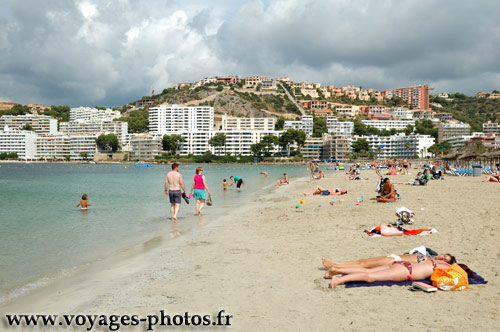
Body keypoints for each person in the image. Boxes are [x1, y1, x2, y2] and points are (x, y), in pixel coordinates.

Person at [325, 259, 453, 288]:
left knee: (367, 271)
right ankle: (338, 280)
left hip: (402, 264)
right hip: (405, 271)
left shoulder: (435, 260)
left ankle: (336, 270)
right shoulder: (447, 270)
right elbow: (438, 281)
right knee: (369, 277)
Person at [321, 252, 455, 270]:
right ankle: (336, 264)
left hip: (395, 261)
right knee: (362, 261)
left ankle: (335, 266)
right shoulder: (427, 254)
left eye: (444, 260)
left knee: (365, 265)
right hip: (393, 256)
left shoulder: (427, 262)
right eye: (444, 255)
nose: (441, 258)